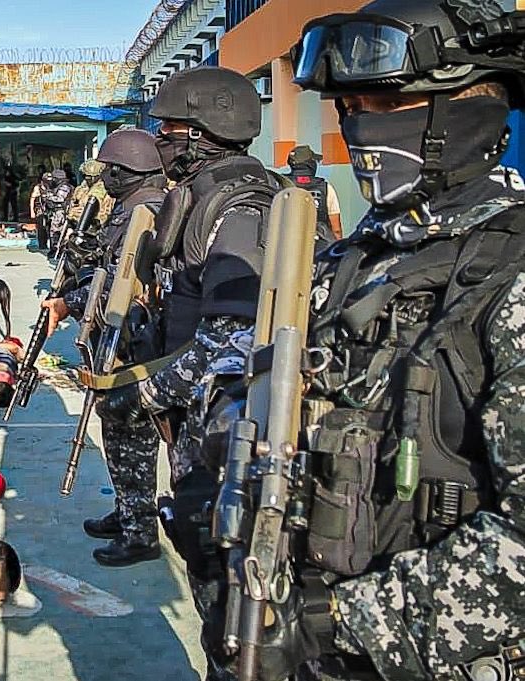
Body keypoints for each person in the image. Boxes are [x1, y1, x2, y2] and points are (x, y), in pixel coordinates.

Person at [210, 2, 525, 680]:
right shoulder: (357, 257)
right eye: (349, 108)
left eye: (383, 104)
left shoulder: (509, 273)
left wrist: (337, 621)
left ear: (466, 110)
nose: (359, 128)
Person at [93, 66, 281, 568]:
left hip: (223, 403)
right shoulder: (200, 197)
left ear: (199, 136)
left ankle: (143, 529)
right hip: (187, 375)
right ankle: (135, 518)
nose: (160, 140)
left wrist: (149, 391)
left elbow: (233, 339)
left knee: (212, 553)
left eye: (168, 130)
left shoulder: (240, 210)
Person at [38, 129, 168, 567]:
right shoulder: (128, 208)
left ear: (132, 171)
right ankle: (128, 509)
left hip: (136, 342)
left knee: (133, 434)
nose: (106, 177)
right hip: (118, 335)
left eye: (113, 169)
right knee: (116, 429)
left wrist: (69, 302)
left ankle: (140, 530)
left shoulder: (147, 211)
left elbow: (121, 281)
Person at [284, 144, 344, 243]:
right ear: (311, 164)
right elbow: (336, 230)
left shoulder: (281, 184)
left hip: (289, 245)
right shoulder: (326, 188)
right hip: (319, 246)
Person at [67, 158, 116, 227]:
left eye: (90, 176)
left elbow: (105, 212)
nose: (87, 178)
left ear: (98, 176)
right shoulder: (81, 189)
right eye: (85, 175)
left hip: (91, 226)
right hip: (74, 223)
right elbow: (73, 203)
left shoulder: (106, 190)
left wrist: (97, 222)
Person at [39, 170, 74, 254]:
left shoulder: (64, 187)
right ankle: (54, 248)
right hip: (54, 211)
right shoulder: (55, 186)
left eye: (54, 178)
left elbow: (60, 199)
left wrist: (47, 196)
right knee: (52, 231)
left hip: (61, 212)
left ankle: (58, 250)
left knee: (57, 232)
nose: (52, 180)